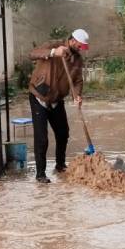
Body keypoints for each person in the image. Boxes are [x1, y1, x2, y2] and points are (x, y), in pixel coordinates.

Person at [27, 29, 89, 183]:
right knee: (42, 138)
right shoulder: (54, 45)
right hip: (39, 96)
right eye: (79, 46)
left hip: (56, 100)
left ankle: (60, 165)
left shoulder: (77, 60)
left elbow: (77, 81)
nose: (81, 49)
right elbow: (32, 54)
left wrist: (77, 95)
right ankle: (40, 174)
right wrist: (53, 52)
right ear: (72, 41)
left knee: (63, 133)